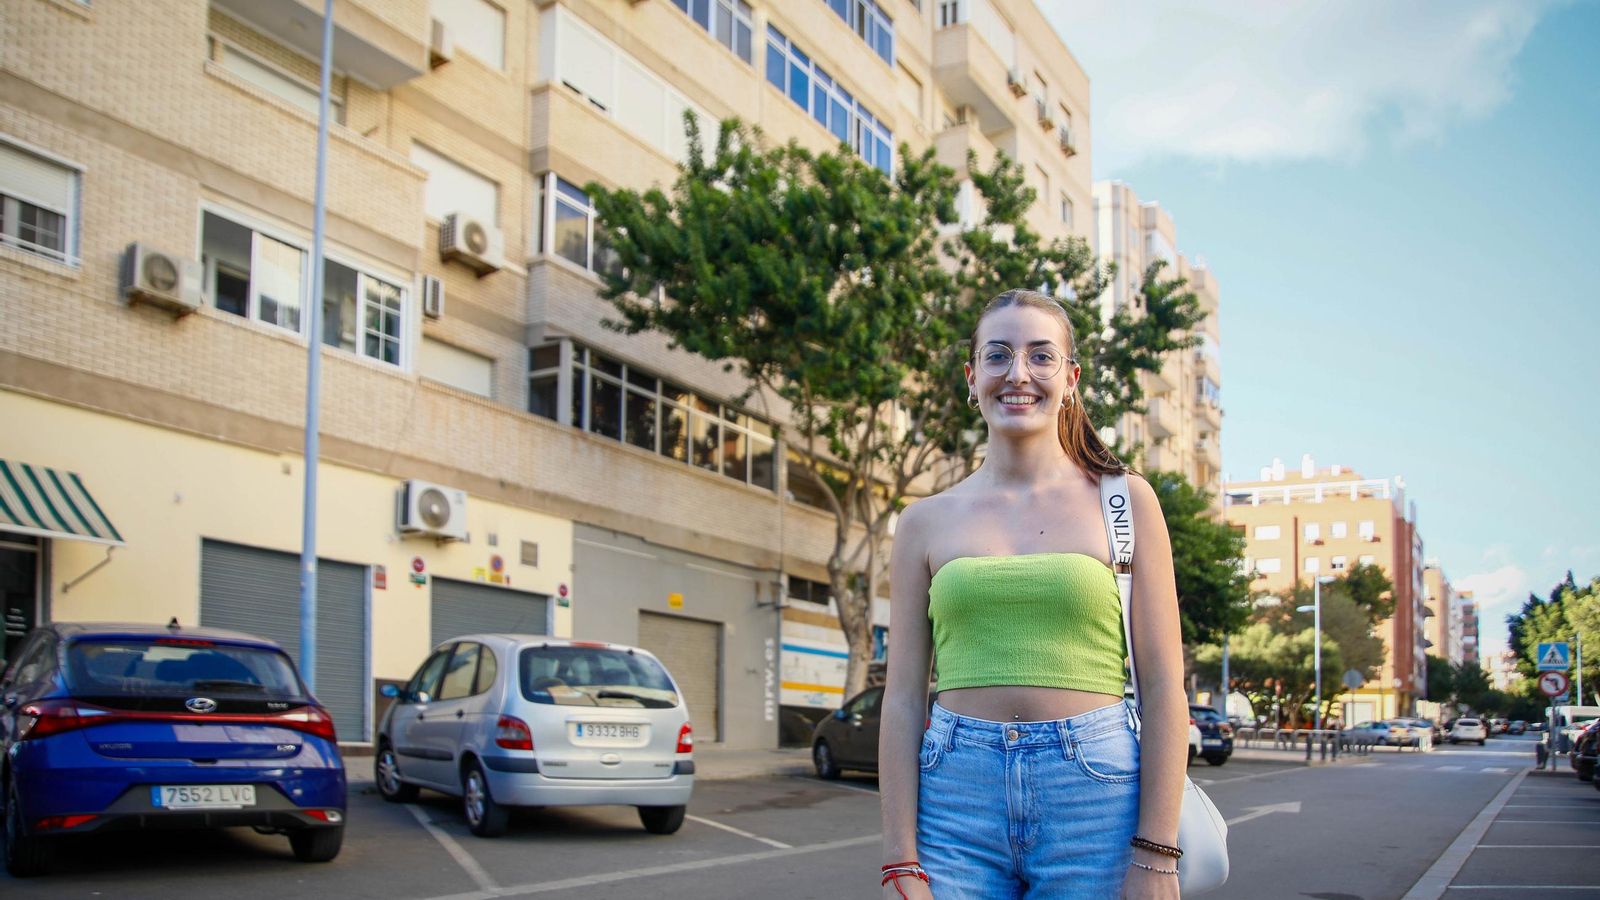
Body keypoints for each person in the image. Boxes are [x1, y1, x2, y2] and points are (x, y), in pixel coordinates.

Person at [878, 290, 1187, 899]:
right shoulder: (924, 521)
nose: (1019, 373)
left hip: (1095, 798)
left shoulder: (1125, 502)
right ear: (973, 378)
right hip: (955, 803)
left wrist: (1157, 856)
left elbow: (1162, 687)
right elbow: (904, 699)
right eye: (998, 356)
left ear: (1069, 379)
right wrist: (898, 863)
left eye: (1040, 357)